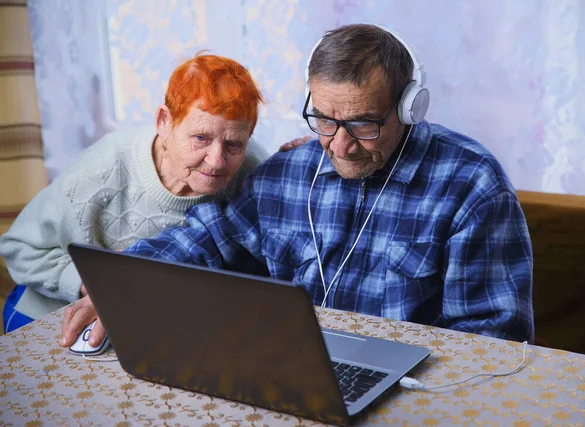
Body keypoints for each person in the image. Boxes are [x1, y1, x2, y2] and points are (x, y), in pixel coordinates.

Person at [61, 24, 534, 348]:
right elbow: (200, 239)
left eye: (364, 124)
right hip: (291, 369)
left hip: (414, 391)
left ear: (411, 108)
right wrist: (122, 282)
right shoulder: (286, 174)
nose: (340, 146)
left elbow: (491, 341)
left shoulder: (473, 188)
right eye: (325, 120)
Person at [0, 53, 308, 334]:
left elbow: (270, 233)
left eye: (234, 144)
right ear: (164, 122)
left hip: (146, 317)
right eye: (201, 138)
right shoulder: (106, 166)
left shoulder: (248, 166)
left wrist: (291, 165)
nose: (216, 161)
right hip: (51, 311)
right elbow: (19, 247)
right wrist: (92, 282)